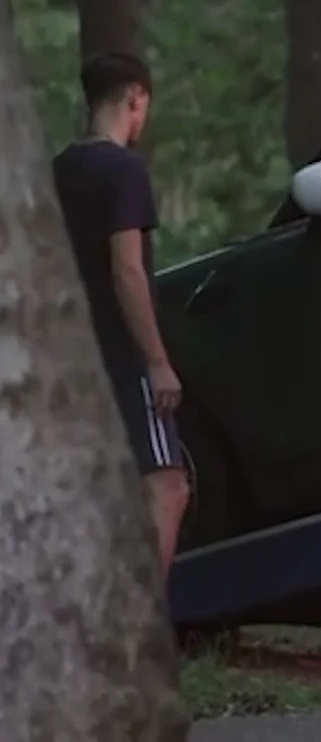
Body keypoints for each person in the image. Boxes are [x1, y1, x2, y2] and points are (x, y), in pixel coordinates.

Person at [51, 52, 192, 576]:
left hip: (73, 356)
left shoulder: (58, 171)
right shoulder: (125, 171)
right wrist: (156, 360)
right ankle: (146, 624)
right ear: (135, 98)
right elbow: (127, 271)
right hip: (123, 355)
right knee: (168, 486)